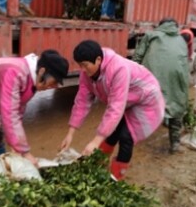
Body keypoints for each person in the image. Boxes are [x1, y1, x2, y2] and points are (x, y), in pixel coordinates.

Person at [60, 40, 165, 181]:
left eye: (85, 65)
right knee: (113, 131)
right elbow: (82, 101)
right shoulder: (86, 73)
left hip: (146, 98)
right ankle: (98, 163)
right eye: (80, 66)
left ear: (98, 60)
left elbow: (115, 108)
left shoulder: (118, 69)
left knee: (126, 137)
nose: (82, 70)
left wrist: (95, 142)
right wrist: (70, 133)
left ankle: (116, 177)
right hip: (127, 99)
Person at [133, 18, 189, 153]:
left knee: (139, 105)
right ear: (175, 27)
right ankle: (175, 143)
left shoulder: (151, 35)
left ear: (160, 26)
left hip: (151, 77)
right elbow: (184, 65)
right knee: (176, 104)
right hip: (177, 79)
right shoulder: (181, 40)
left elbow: (137, 58)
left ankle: (131, 138)